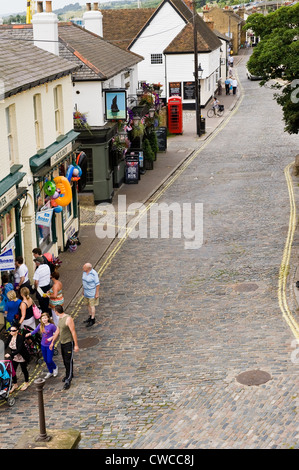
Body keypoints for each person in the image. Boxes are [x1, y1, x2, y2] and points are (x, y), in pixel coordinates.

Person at [49, 305, 79, 390]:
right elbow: (58, 331)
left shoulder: (68, 319)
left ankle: (68, 380)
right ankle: (68, 374)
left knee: (68, 361)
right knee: (65, 360)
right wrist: (52, 342)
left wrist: (76, 345)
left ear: (56, 312)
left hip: (68, 343)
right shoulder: (60, 318)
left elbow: (73, 332)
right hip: (62, 343)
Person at [26, 312, 58, 380]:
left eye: (45, 318)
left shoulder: (52, 326)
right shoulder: (40, 325)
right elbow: (35, 331)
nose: (44, 319)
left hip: (50, 345)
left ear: (48, 318)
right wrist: (29, 334)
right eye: (43, 318)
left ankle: (55, 368)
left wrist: (51, 337)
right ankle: (50, 371)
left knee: (49, 360)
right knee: (46, 360)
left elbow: (57, 333)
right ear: (41, 319)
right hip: (43, 345)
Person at [5, 324, 30, 392]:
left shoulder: (20, 338)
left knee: (24, 369)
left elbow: (19, 349)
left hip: (22, 355)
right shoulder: (10, 336)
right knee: (13, 370)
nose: (12, 332)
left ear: (17, 331)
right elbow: (6, 344)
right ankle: (15, 384)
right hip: (14, 356)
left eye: (13, 330)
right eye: (10, 330)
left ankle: (26, 382)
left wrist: (10, 354)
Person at [82, 263, 100, 327]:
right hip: (86, 292)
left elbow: (97, 284)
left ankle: (93, 319)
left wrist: (97, 293)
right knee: (88, 305)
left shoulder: (94, 274)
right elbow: (83, 282)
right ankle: (90, 316)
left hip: (92, 292)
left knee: (92, 305)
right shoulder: (84, 272)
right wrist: (83, 290)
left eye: (84, 267)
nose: (83, 268)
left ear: (88, 268)